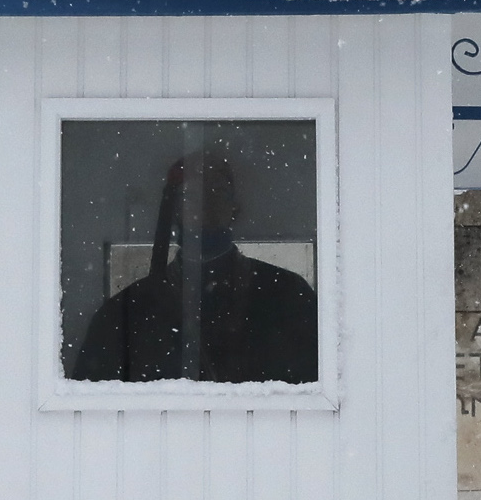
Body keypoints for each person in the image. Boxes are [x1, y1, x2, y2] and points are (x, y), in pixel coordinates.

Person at [71, 150, 320, 385]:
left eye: (217, 191)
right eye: (192, 193)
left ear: (235, 208)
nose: (205, 203)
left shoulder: (287, 297)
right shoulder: (127, 312)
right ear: (174, 209)